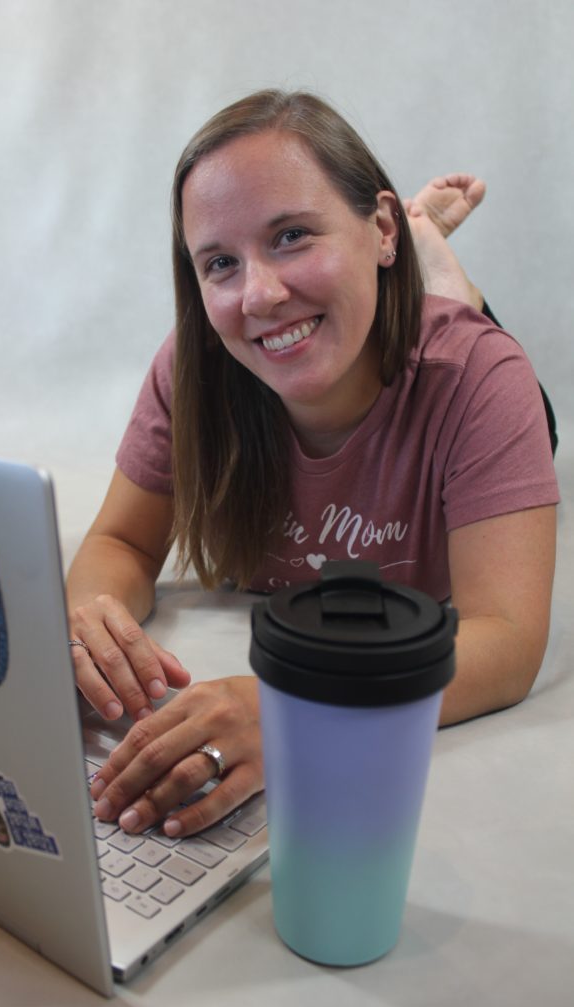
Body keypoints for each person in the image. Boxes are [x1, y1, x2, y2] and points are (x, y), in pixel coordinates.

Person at [66, 90, 559, 841]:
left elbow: (509, 641)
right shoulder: (193, 367)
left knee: (511, 383)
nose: (258, 294)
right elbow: (123, 544)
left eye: (292, 235)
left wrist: (300, 710)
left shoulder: (481, 380)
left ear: (380, 227)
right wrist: (91, 616)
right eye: (220, 262)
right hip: (378, 315)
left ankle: (447, 282)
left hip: (453, 365)